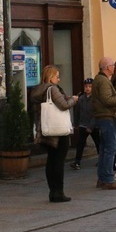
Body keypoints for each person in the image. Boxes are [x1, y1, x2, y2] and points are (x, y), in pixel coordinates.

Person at [30, 65, 78, 203]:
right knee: (58, 161)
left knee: (51, 160)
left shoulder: (40, 90)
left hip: (47, 129)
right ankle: (58, 192)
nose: (59, 78)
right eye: (57, 76)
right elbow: (63, 105)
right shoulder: (52, 89)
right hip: (58, 131)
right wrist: (73, 100)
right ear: (50, 77)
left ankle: (52, 191)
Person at [92, 57, 116, 190]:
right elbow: (108, 100)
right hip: (106, 118)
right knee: (110, 149)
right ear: (107, 67)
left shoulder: (102, 79)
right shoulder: (102, 81)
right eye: (113, 65)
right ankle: (107, 179)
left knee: (104, 149)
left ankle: (103, 178)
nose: (114, 67)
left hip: (104, 118)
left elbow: (110, 95)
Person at [71, 78, 100, 170]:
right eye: (86, 86)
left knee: (98, 143)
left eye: (90, 87)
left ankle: (101, 159)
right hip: (83, 124)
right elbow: (77, 112)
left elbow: (96, 113)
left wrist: (91, 126)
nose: (88, 88)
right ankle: (77, 162)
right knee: (80, 143)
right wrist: (76, 123)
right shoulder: (81, 98)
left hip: (93, 126)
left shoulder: (95, 99)